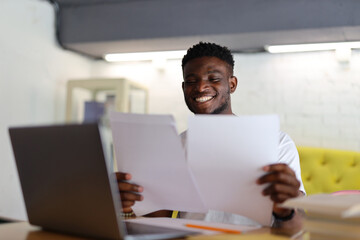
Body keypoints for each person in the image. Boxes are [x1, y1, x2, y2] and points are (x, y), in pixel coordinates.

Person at [116, 42, 305, 227]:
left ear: (232, 84)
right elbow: (157, 221)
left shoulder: (277, 142)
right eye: (191, 81)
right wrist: (128, 203)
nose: (200, 87)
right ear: (184, 88)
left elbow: (299, 225)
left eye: (213, 78)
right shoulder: (174, 146)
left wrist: (286, 209)